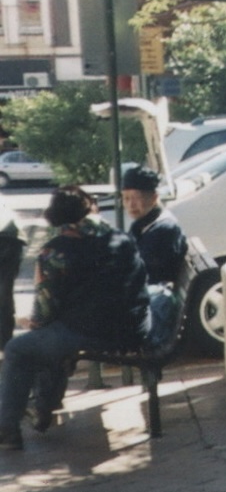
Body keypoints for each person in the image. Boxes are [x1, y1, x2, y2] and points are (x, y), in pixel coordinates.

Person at [0, 186, 149, 449]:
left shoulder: (56, 251)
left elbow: (44, 311)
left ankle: (7, 430)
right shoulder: (120, 238)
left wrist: (32, 322)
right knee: (47, 340)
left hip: (94, 331)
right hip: (133, 325)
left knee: (19, 348)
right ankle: (45, 405)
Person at [122, 166, 188, 349]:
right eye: (126, 198)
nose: (130, 205)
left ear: (154, 197)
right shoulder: (144, 224)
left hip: (151, 309)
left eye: (136, 198)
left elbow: (142, 272)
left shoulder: (164, 229)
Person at [0, 196, 23, 347]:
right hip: (9, 242)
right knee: (4, 297)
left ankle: (3, 341)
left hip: (6, 242)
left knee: (3, 297)